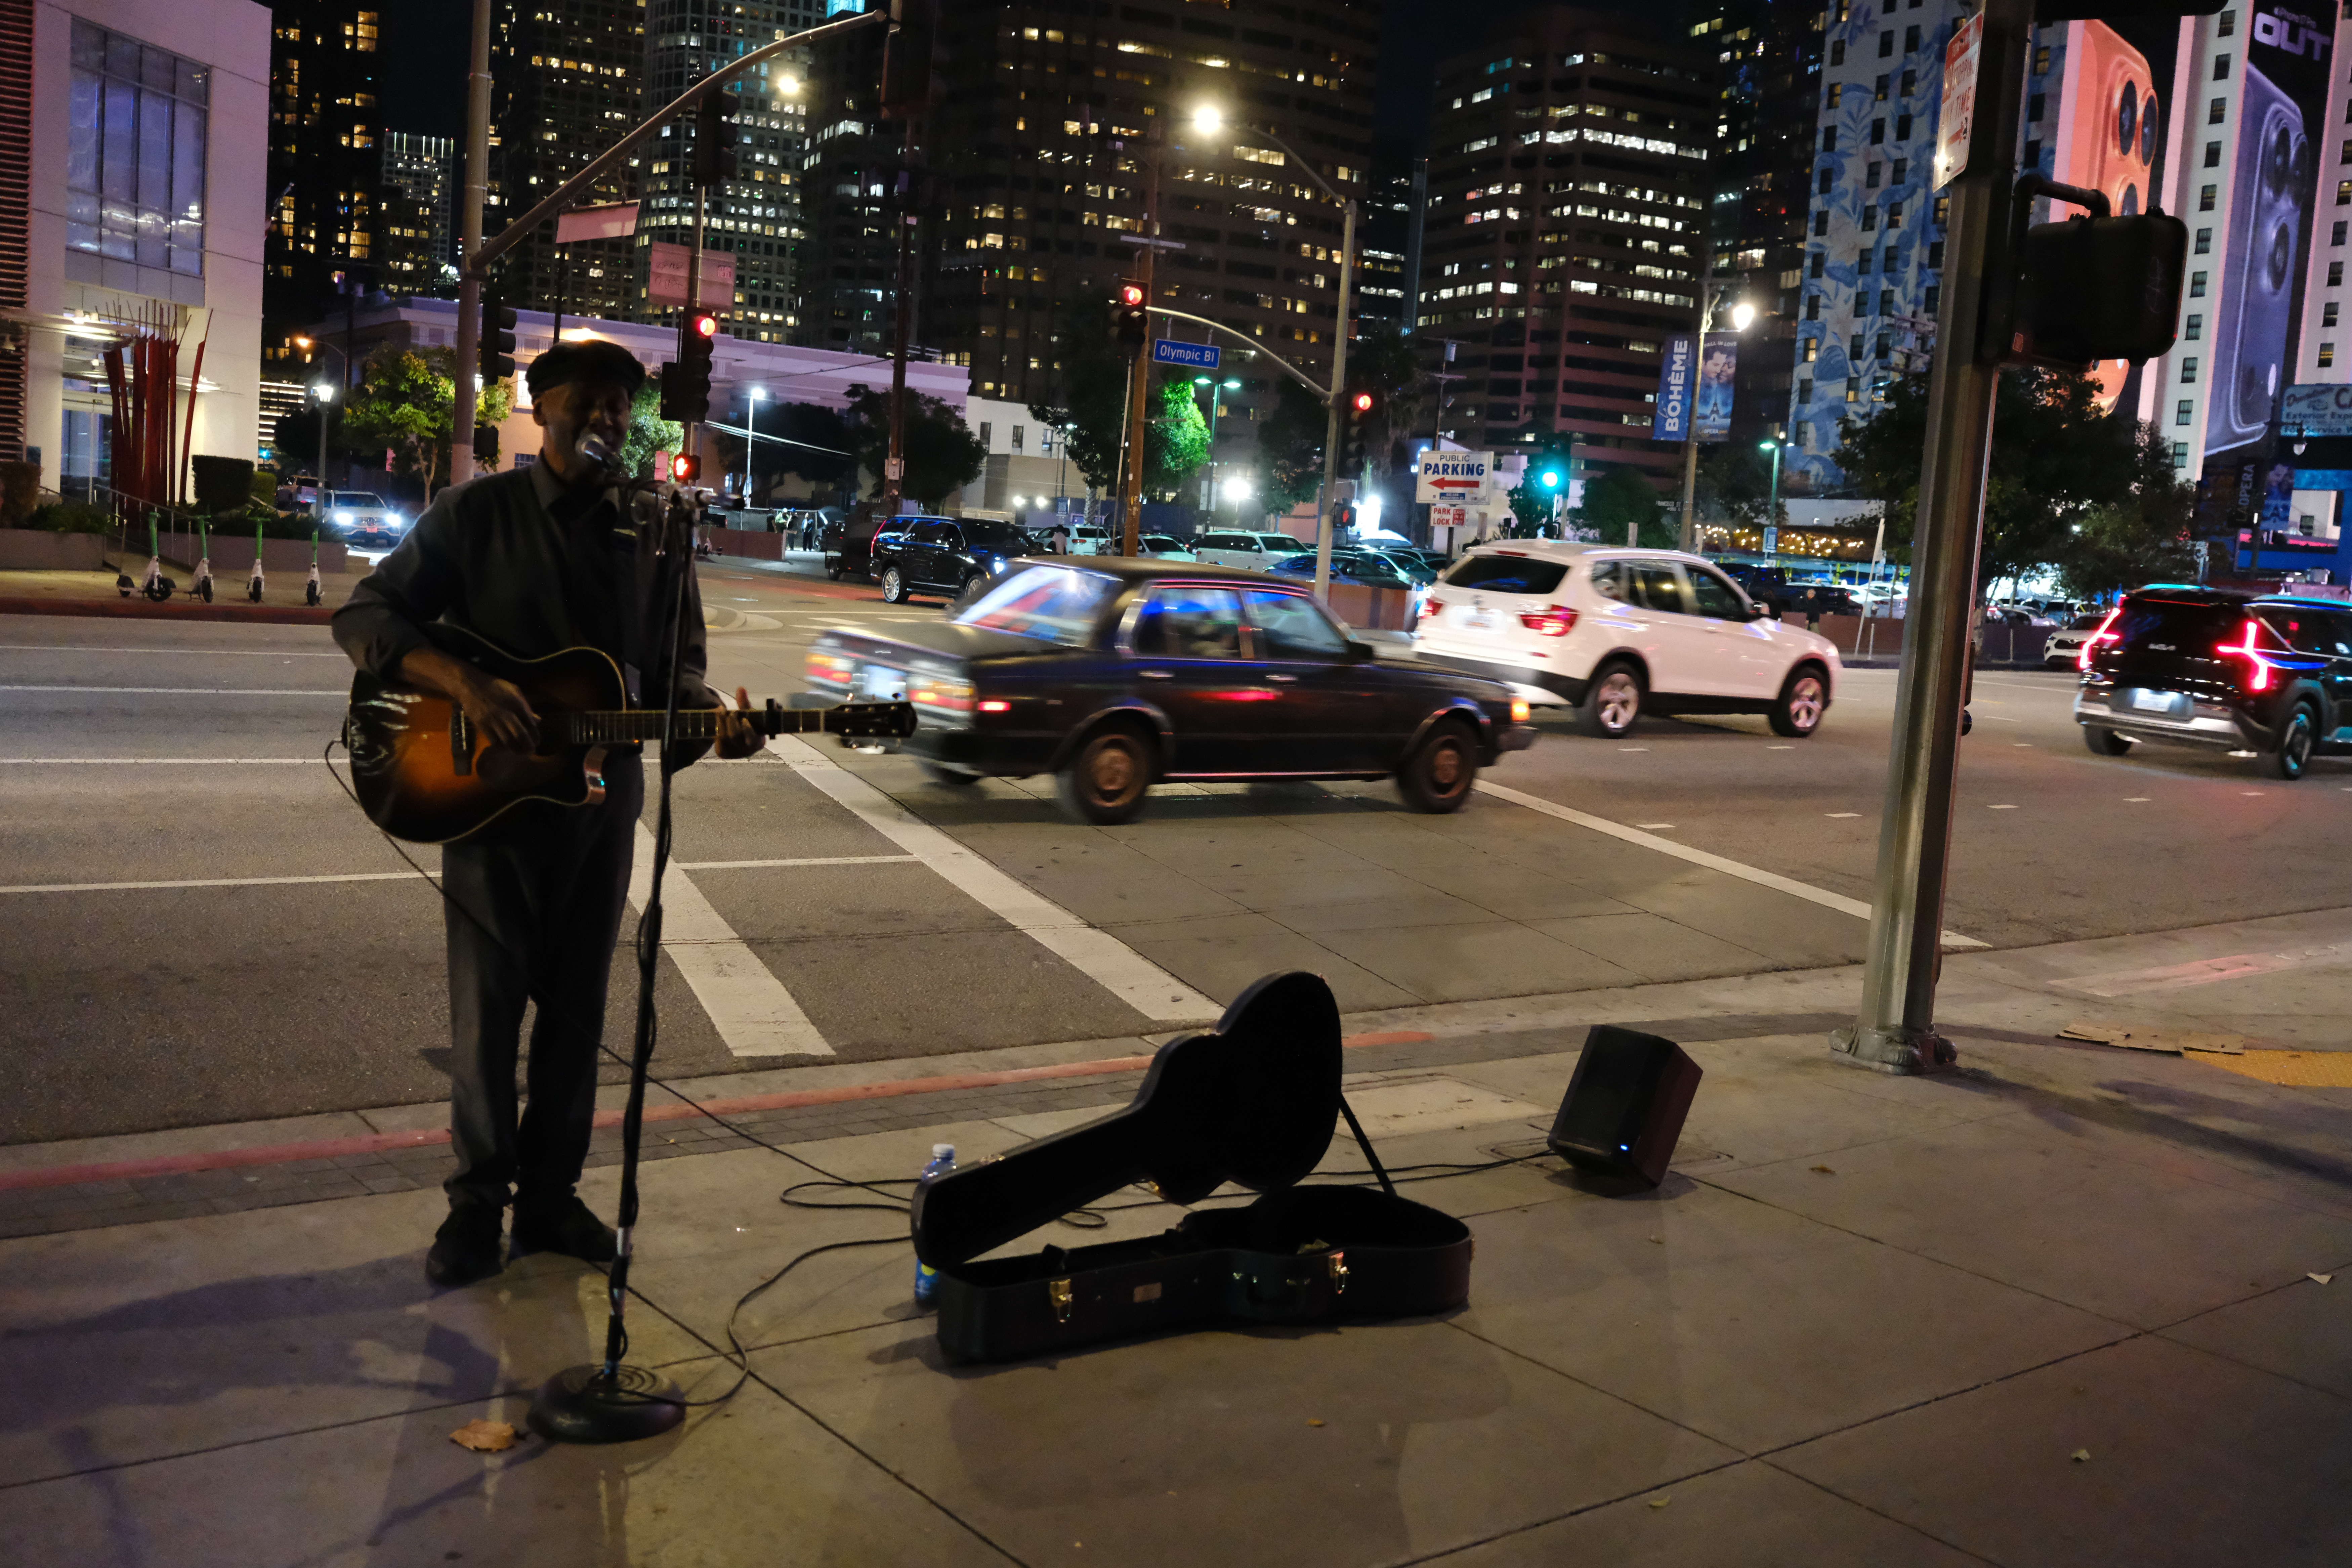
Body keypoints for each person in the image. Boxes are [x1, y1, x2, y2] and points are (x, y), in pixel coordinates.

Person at [333, 339, 760, 1287]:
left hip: (602, 810)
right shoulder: (474, 516)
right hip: (490, 806)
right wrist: (465, 682)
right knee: (487, 1019)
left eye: (623, 406)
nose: (612, 419)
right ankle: (475, 1207)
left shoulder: (654, 531)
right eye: (595, 402)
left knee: (577, 1014)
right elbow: (367, 616)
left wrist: (709, 718)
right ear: (547, 409)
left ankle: (553, 1197)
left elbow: (676, 668)